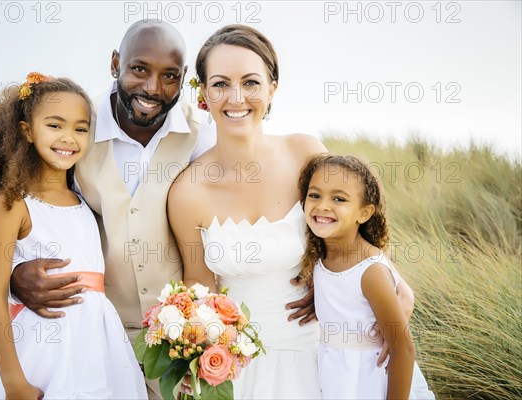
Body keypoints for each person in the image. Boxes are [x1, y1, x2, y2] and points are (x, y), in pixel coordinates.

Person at [7, 20, 315, 398]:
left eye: (169, 76)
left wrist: (326, 278)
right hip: (97, 331)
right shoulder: (76, 131)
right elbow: (28, 206)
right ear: (115, 63)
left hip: (175, 344)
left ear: (185, 79)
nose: (153, 88)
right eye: (139, 69)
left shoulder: (202, 133)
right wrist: (13, 275)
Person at [167, 25, 415, 398]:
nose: (236, 97)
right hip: (239, 367)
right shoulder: (187, 192)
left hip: (321, 356)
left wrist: (397, 285)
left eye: (251, 82)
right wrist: (190, 360)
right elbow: (198, 288)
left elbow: (353, 232)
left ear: (272, 89)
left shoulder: (304, 152)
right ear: (203, 93)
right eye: (220, 84)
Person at [0, 73, 147, 399]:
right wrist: (14, 382)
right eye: (55, 125)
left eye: (80, 128)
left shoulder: (85, 200)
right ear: (27, 131)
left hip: (98, 349)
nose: (68, 138)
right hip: (42, 350)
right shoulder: (14, 203)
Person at [299, 154, 434, 399]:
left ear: (363, 213)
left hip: (371, 379)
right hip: (336, 376)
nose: (323, 205)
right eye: (314, 195)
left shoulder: (369, 271)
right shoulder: (322, 258)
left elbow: (403, 349)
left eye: (339, 199)